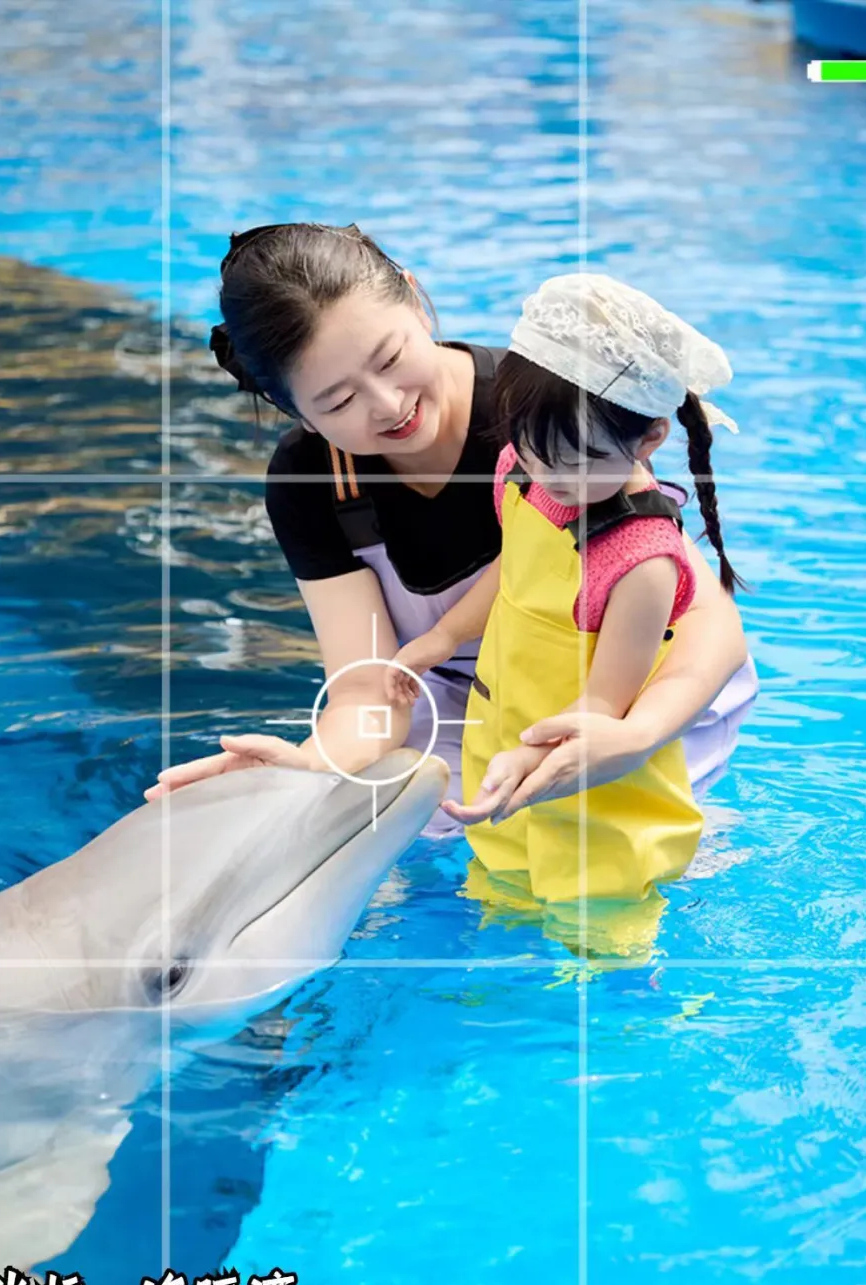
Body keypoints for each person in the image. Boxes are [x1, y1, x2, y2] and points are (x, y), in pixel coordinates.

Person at [144, 224, 758, 840]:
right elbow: (369, 690)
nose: (388, 405)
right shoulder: (313, 479)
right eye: (338, 402)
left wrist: (633, 736)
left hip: (627, 700)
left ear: (415, 299)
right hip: (474, 708)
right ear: (295, 412)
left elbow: (713, 628)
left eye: (389, 359)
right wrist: (310, 767)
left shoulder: (539, 408)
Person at [387, 272, 744, 902]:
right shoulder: (522, 472)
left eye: (580, 463)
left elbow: (604, 705)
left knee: (602, 929)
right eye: (534, 450)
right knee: (501, 899)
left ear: (651, 438)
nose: (553, 478)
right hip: (509, 747)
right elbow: (514, 572)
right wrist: (442, 637)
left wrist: (529, 760)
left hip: (595, 789)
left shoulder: (642, 560)